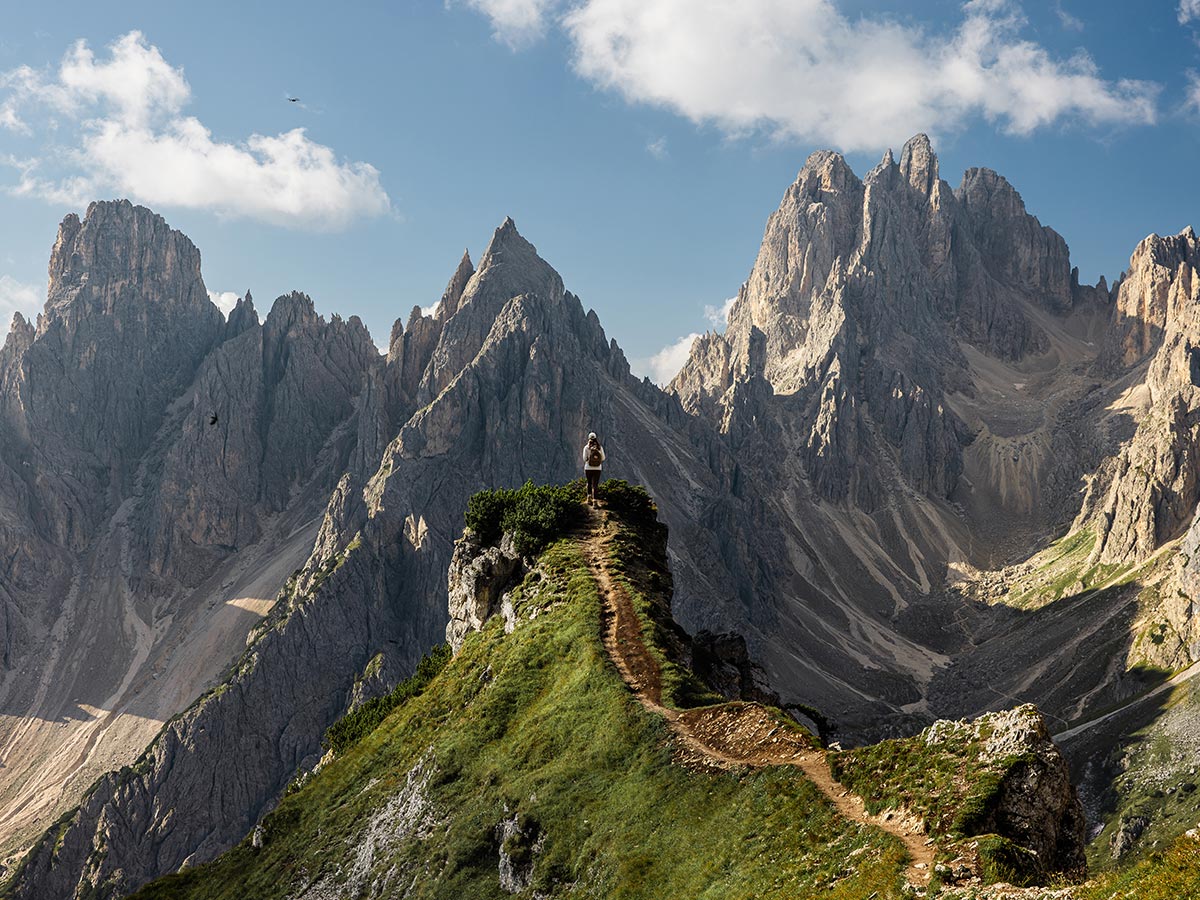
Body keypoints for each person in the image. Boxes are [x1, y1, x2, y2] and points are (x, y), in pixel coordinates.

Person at [582, 432, 606, 506]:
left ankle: (589, 498)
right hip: (597, 468)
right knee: (595, 485)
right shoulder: (599, 447)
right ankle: (595, 501)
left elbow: (584, 458)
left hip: (588, 468)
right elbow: (603, 458)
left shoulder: (586, 447)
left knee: (589, 483)